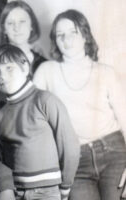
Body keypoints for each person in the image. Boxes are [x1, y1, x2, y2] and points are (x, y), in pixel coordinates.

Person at [33, 9, 126, 200]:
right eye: (60, 35)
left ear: (85, 35)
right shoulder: (46, 71)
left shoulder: (106, 72)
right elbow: (31, 118)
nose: (67, 39)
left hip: (114, 153)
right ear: (55, 41)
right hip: (73, 161)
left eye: (73, 32)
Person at [0, 44, 80, 200]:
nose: (2, 75)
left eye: (9, 68)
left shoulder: (45, 100)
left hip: (47, 191)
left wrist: (65, 187)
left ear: (24, 67)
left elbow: (70, 148)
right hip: (15, 192)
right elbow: (4, 159)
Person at [0, 0, 46, 76]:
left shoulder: (43, 64)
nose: (17, 28)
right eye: (10, 23)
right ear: (4, 29)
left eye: (22, 21)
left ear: (31, 25)